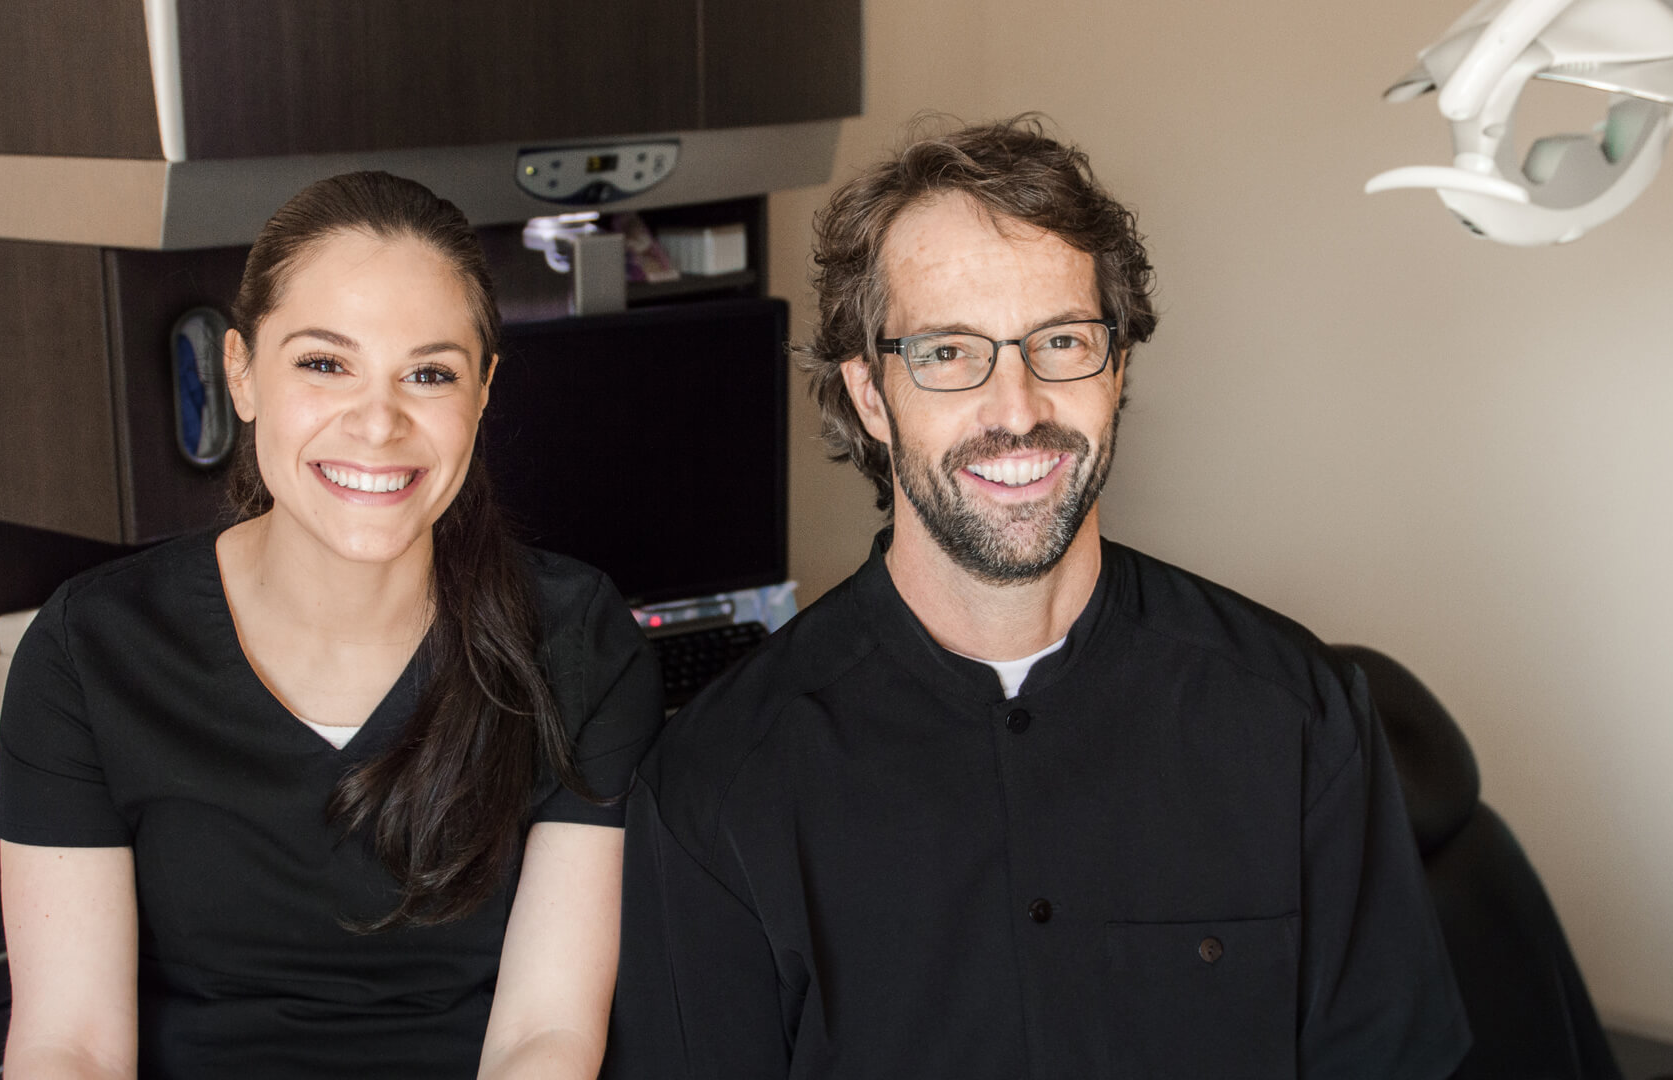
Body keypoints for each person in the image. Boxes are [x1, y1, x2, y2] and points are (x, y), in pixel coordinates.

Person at [607, 118, 1471, 1078]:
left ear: (1119, 366)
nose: (1016, 409)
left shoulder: (1297, 716)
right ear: (868, 395)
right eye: (948, 354)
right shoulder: (716, 790)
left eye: (1060, 341)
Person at [0, 172, 662, 1079]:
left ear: (482, 393)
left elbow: (545, 1035)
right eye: (324, 363)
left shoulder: (578, 641)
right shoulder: (91, 649)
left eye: (429, 374)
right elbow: (68, 1043)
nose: (378, 423)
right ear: (242, 374)